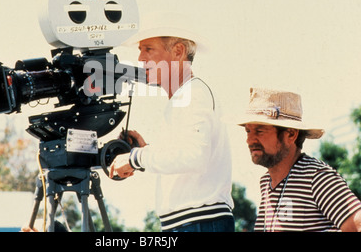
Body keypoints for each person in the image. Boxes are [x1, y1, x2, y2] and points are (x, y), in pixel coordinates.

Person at [109, 12, 234, 232]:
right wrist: (147, 151)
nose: (140, 59)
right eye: (140, 50)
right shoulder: (184, 97)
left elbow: (195, 157)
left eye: (149, 49)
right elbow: (186, 156)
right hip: (190, 222)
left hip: (200, 223)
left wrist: (136, 157)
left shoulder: (194, 93)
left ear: (178, 51)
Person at [237, 87, 361, 231]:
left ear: (290, 134)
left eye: (259, 131)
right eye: (248, 131)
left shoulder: (316, 176)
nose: (250, 140)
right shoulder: (266, 183)